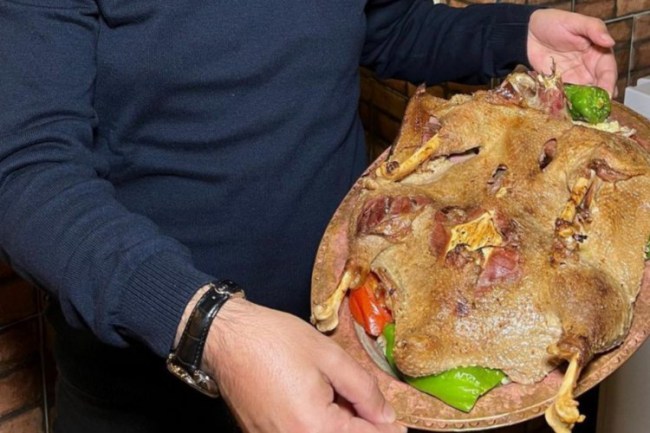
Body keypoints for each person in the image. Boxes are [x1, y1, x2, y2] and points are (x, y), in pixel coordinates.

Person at [0, 1, 616, 432]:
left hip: (343, 341)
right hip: (151, 385)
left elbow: (383, 22)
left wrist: (513, 35)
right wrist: (212, 330)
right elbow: (25, 171)